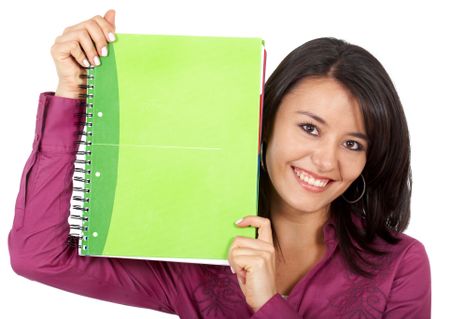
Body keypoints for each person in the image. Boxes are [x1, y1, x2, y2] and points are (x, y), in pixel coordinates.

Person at [8, 8, 431, 319]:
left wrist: (267, 305)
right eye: (310, 128)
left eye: (353, 144)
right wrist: (72, 94)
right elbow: (39, 257)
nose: (325, 161)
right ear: (263, 124)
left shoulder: (399, 265)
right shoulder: (194, 253)